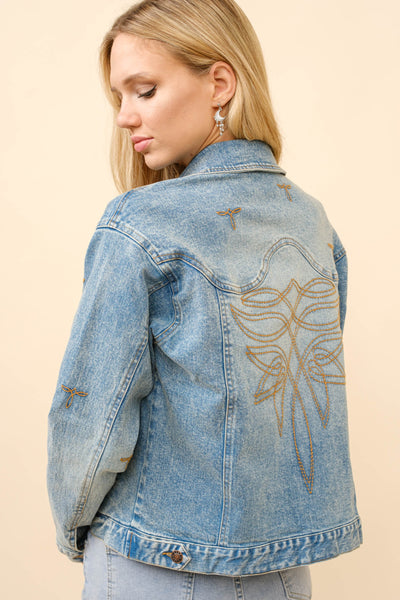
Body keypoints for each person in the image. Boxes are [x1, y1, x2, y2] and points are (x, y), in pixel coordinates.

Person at [47, 1, 362, 598]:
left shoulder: (139, 222)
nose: (124, 117)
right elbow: (298, 385)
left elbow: (90, 414)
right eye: (119, 97)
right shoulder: (311, 220)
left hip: (154, 556)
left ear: (220, 83)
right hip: (284, 569)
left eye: (144, 90)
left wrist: (74, 528)